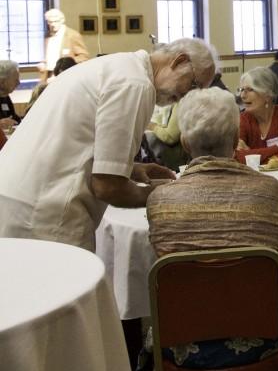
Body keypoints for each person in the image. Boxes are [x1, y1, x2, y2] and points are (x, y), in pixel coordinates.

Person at [0, 38, 215, 251]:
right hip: (43, 214)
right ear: (179, 61)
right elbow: (107, 187)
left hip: (18, 198)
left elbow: (74, 146)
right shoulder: (135, 84)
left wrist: (130, 169)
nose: (186, 98)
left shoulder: (117, 67)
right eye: (193, 85)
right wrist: (164, 194)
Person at [140, 87, 278, 371]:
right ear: (236, 141)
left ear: (185, 143)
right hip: (264, 337)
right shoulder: (269, 190)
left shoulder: (161, 200)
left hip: (183, 340)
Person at [40, 8, 90, 78]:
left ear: (62, 20)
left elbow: (84, 57)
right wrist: (43, 62)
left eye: (56, 21)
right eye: (50, 22)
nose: (53, 24)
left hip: (65, 75)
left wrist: (65, 64)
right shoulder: (47, 36)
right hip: (48, 75)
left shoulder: (72, 35)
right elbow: (48, 56)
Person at [0, 60, 22, 129]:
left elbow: (14, 118)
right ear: (2, 81)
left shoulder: (5, 96)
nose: (19, 83)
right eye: (15, 80)